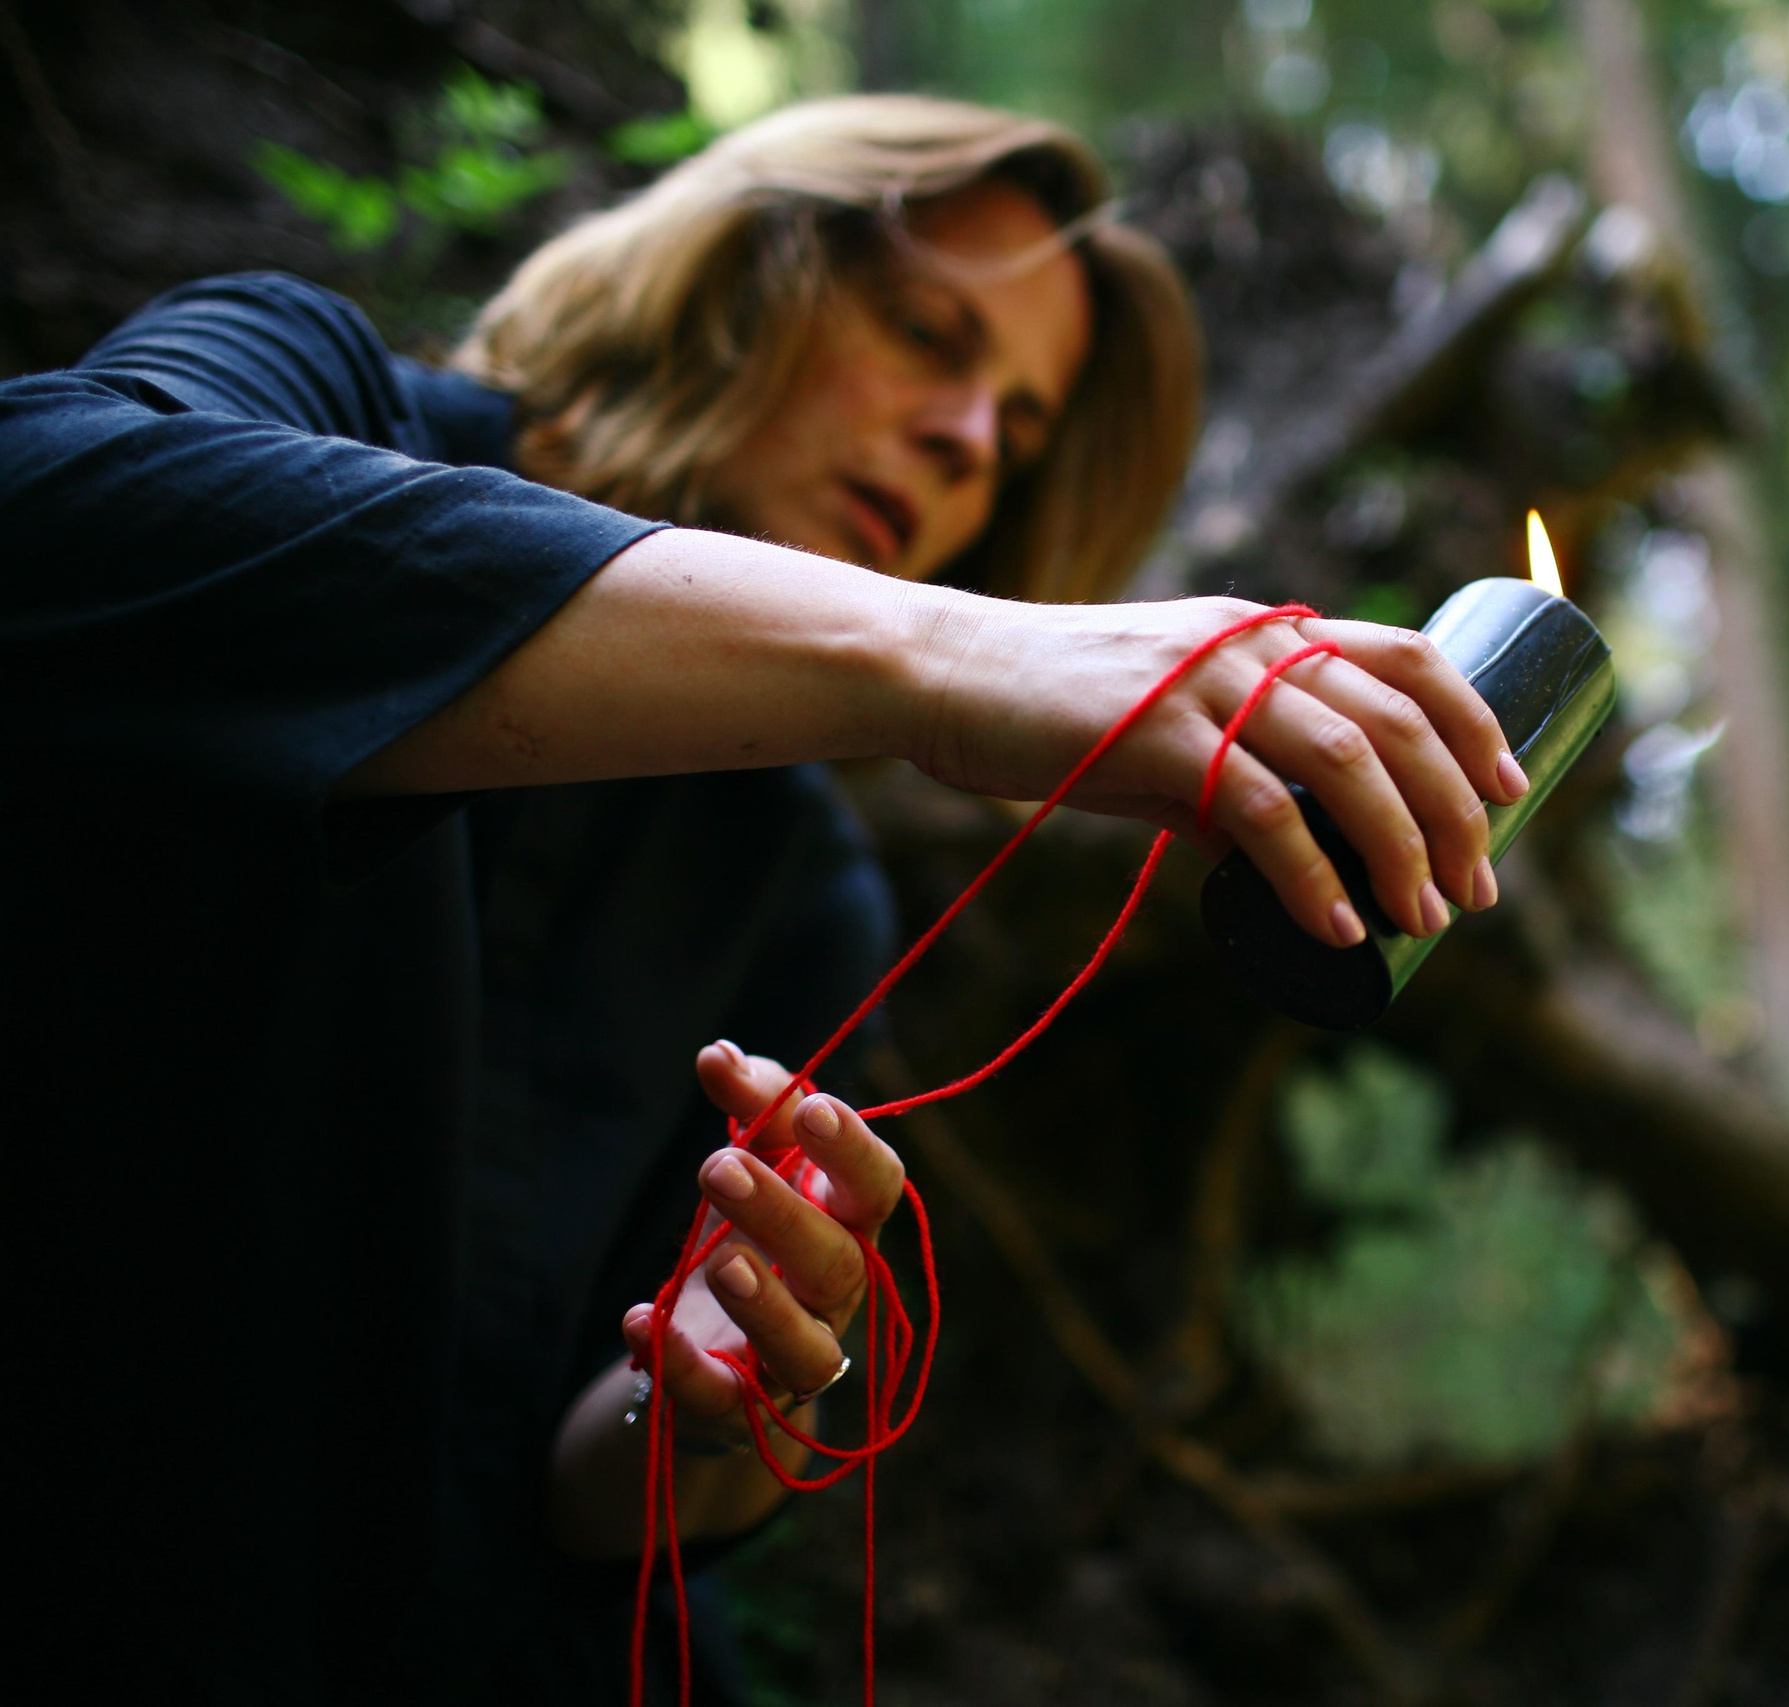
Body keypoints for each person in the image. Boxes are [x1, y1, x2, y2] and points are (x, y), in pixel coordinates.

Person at [0, 95, 1522, 1703]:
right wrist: (952, 653)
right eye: (930, 335)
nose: (966, 443)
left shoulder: (795, 882)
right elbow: (43, 510)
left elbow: (572, 1492)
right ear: (743, 266)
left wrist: (715, 1410)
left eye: (1010, 431)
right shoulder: (313, 383)